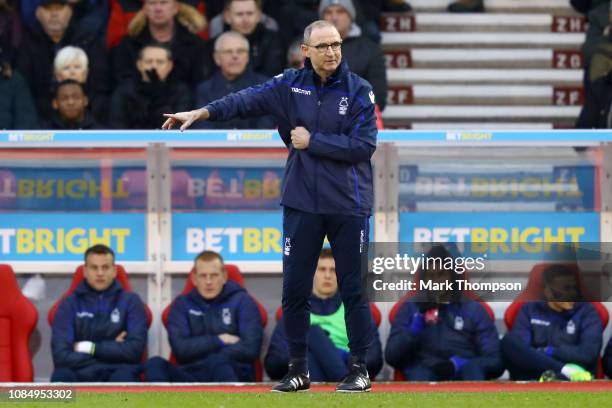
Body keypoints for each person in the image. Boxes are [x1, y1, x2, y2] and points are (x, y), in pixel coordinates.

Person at [162, 19, 378, 393]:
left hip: (348, 204)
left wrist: (314, 141)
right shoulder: (289, 85)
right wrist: (201, 113)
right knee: (294, 290)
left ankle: (358, 369)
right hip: (302, 203)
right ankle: (298, 370)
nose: (331, 52)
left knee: (353, 290)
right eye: (323, 46)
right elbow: (243, 100)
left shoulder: (360, 90)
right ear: (305, 52)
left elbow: (364, 146)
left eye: (336, 44)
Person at [385, 245, 503, 381]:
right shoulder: (410, 308)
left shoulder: (473, 309)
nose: (436, 281)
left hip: (464, 369)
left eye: (441, 274)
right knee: (419, 373)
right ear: (424, 279)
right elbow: (392, 356)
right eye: (431, 276)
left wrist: (460, 364)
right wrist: (416, 326)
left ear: (452, 276)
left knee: (472, 371)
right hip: (423, 369)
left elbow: (495, 359)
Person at [265, 249, 383, 382]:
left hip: (323, 377)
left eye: (333, 270)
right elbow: (272, 364)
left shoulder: (356, 309)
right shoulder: (295, 311)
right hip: (342, 378)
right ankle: (341, 382)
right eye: (322, 269)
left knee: (308, 332)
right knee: (311, 337)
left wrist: (339, 355)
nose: (328, 275)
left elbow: (375, 360)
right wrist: (313, 352)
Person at [144, 250, 263, 382]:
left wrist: (207, 351)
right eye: (203, 276)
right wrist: (220, 340)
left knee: (219, 362)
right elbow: (180, 349)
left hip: (231, 371)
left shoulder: (243, 301)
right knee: (154, 364)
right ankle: (164, 403)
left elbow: (251, 348)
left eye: (214, 275)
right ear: (194, 279)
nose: (208, 281)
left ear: (224, 277)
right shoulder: (181, 304)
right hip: (190, 374)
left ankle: (230, 403)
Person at [50, 244, 148, 382]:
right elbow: (61, 356)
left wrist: (86, 347)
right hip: (78, 372)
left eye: (105, 267)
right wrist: (113, 347)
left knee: (126, 380)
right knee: (61, 378)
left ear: (114, 271)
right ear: (85, 271)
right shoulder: (69, 304)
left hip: (118, 371)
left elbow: (134, 351)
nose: (100, 273)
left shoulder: (131, 301)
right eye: (94, 267)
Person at [500, 264, 602, 381]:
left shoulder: (587, 311)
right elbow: (521, 352)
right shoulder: (529, 310)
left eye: (574, 288)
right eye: (566, 289)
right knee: (508, 342)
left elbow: (588, 354)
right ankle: (564, 371)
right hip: (536, 373)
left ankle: (563, 373)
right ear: (548, 292)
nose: (573, 294)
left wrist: (549, 351)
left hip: (578, 374)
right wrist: (558, 365)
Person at [15, 0, 109, 122]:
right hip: (42, 123)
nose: (54, 14)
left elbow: (100, 86)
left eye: (59, 9)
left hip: (88, 120)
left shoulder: (88, 40)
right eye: (48, 9)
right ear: (38, 13)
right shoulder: (27, 45)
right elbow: (25, 91)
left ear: (70, 12)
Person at [111, 0, 210, 87]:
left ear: (176, 8)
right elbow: (123, 81)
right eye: (152, 3)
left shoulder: (195, 44)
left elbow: (199, 83)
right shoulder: (128, 44)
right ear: (144, 9)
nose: (158, 9)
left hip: (184, 105)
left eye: (164, 2)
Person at [194, 31, 274, 129]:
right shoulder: (204, 90)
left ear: (248, 57)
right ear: (217, 58)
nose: (235, 56)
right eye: (228, 51)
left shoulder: (266, 86)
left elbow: (266, 126)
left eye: (240, 51)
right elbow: (204, 129)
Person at [320, 0, 387, 110]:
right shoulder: (308, 48)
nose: (334, 18)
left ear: (351, 16)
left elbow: (378, 97)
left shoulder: (370, 49)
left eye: (340, 12)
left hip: (356, 120)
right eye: (328, 12)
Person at [109, 44, 191, 129]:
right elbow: (117, 128)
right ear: (139, 65)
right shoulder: (124, 92)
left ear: (170, 65)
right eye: (148, 62)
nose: (154, 66)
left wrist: (158, 100)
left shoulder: (181, 92)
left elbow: (180, 129)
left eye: (160, 62)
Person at [211, 0, 284, 77]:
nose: (245, 20)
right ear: (227, 17)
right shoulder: (215, 44)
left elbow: (274, 76)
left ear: (259, 15)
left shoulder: (273, 41)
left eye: (249, 13)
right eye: (239, 14)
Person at [53, 46, 108, 124]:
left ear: (85, 73)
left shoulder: (99, 103)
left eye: (77, 67)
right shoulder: (48, 103)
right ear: (58, 75)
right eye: (66, 68)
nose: (72, 72)